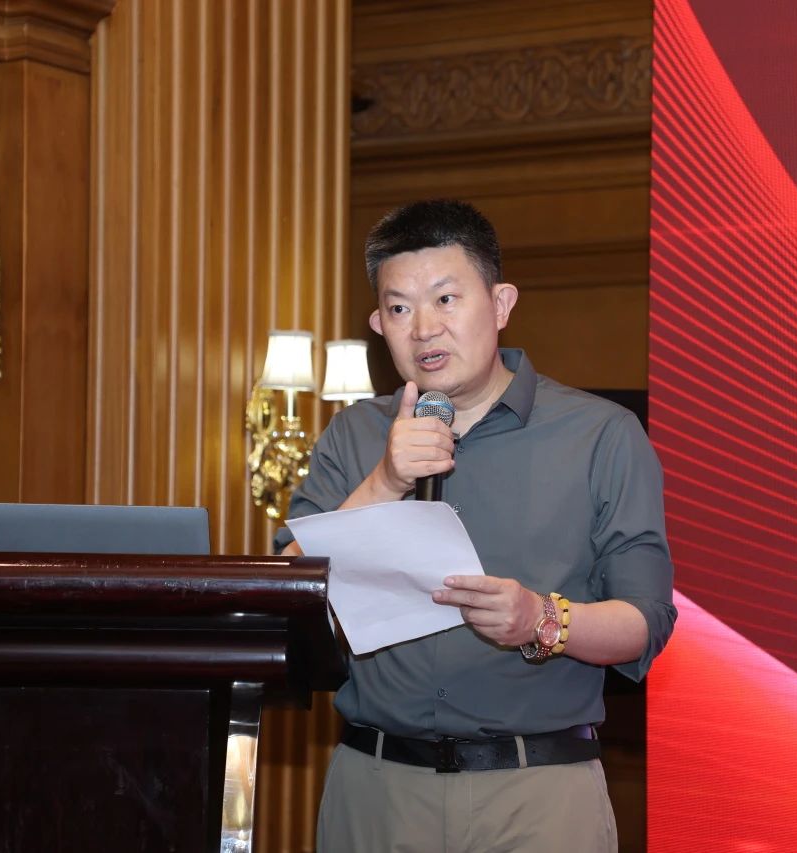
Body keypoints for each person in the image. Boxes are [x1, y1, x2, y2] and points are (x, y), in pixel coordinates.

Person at [276, 199, 676, 853]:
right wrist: (385, 481)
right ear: (378, 324)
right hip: (375, 788)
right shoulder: (355, 435)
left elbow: (645, 621)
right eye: (400, 308)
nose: (424, 329)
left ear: (500, 303)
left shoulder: (600, 435)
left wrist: (539, 619)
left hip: (538, 793)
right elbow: (283, 593)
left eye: (446, 299)